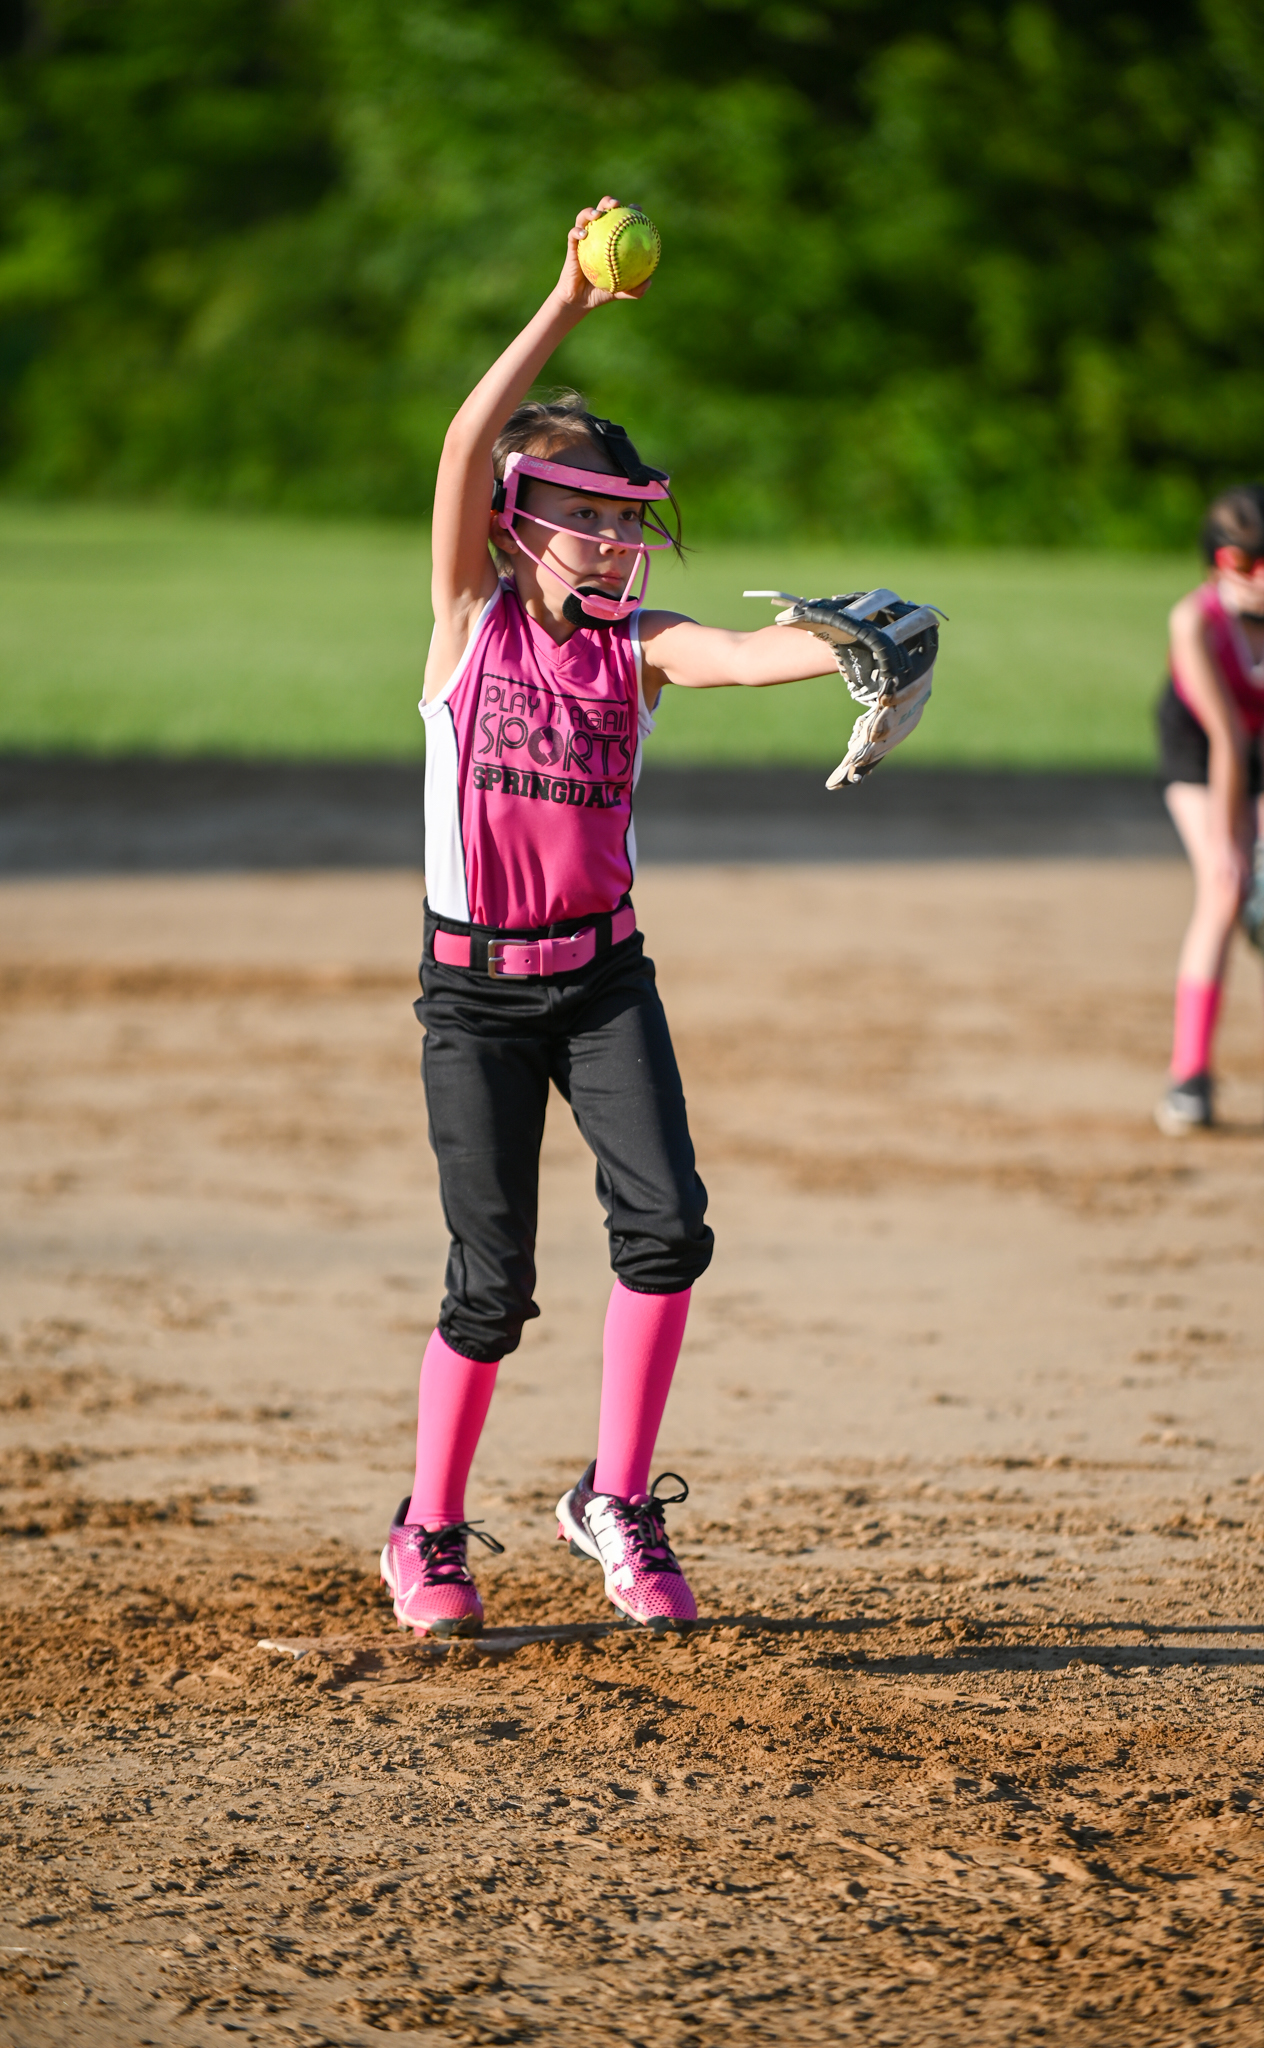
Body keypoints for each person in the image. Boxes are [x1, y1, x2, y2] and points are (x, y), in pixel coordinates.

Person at [379, 197, 867, 1639]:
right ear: (518, 521)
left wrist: (850, 639)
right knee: (492, 1289)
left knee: (666, 1232)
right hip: (474, 1000)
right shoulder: (468, 622)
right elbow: (464, 445)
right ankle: (427, 1528)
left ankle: (616, 1496)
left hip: (601, 984)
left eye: (622, 520)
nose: (608, 541)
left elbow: (739, 653)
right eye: (582, 517)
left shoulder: (634, 648)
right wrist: (565, 305)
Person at [1155, 484, 1264, 1137]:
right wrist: (1231, 849)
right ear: (1214, 562)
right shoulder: (1194, 621)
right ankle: (1189, 1078)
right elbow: (1225, 738)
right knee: (1224, 887)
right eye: (1245, 563)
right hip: (1197, 747)